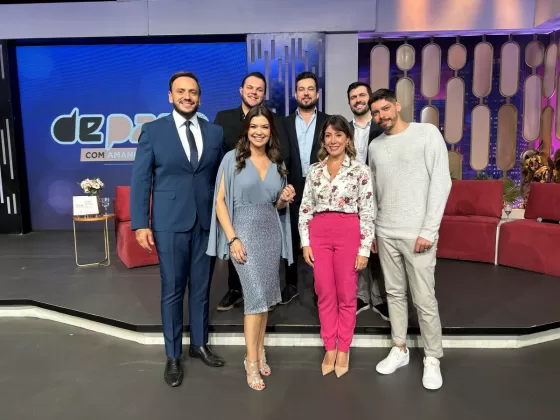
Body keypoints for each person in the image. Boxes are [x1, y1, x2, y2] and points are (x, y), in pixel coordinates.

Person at [130, 72, 226, 388]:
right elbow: (141, 179)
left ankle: (199, 344)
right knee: (172, 289)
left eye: (193, 92)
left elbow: (222, 178)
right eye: (181, 91)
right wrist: (140, 223)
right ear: (170, 96)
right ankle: (173, 355)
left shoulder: (215, 132)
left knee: (201, 287)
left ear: (199, 97)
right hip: (169, 223)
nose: (187, 96)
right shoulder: (153, 131)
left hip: (206, 223)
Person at [368, 88, 451, 390]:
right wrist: (373, 231)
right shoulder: (375, 146)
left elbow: (441, 182)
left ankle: (432, 357)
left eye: (385, 109)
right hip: (385, 232)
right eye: (376, 113)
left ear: (398, 105)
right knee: (393, 294)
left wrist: (429, 230)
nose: (381, 116)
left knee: (424, 299)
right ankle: (400, 347)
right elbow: (374, 192)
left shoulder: (426, 134)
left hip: (418, 234)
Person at [207, 105, 295, 391]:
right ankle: (250, 360)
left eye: (264, 127)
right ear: (246, 130)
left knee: (265, 298)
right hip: (243, 233)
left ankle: (260, 350)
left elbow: (276, 205)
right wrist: (233, 238)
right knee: (254, 299)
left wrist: (284, 198)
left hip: (271, 232)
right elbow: (220, 201)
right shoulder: (232, 159)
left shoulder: (277, 161)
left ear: (271, 131)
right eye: (254, 126)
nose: (259, 132)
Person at [299, 115, 375, 378]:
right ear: (323, 140)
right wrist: (305, 242)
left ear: (347, 139)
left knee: (346, 292)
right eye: (328, 135)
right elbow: (305, 208)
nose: (333, 140)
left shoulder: (360, 170)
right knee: (324, 291)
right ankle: (329, 346)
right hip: (319, 233)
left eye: (338, 135)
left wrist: (364, 249)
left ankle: (344, 348)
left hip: (348, 232)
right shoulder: (314, 170)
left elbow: (368, 212)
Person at [213, 72, 290, 312]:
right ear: (241, 90)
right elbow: (217, 159)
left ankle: (259, 300)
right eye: (250, 87)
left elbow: (279, 163)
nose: (254, 92)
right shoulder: (224, 120)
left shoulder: (274, 134)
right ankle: (235, 291)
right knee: (242, 262)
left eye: (259, 89)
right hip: (237, 204)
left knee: (261, 296)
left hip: (267, 219)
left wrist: (283, 195)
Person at [281, 71, 329, 305]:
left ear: (317, 94)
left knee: (319, 241)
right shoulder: (283, 123)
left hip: (321, 192)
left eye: (310, 89)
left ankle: (321, 286)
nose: (306, 93)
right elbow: (276, 157)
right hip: (291, 190)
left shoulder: (329, 122)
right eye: (301, 89)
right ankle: (290, 284)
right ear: (295, 94)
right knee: (290, 239)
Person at [347, 81, 389, 321]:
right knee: (358, 245)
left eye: (362, 95)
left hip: (380, 194)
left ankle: (380, 297)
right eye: (353, 97)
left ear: (369, 98)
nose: (358, 100)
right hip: (352, 197)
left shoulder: (382, 126)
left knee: (379, 247)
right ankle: (361, 296)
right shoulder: (344, 129)